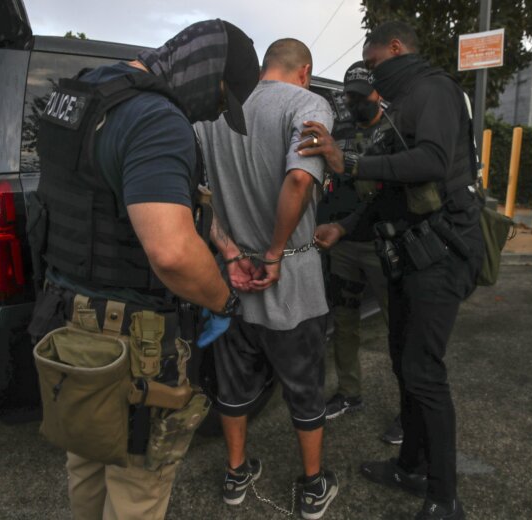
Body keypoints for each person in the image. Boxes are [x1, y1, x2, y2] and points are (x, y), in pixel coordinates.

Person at [27, 19, 259, 520]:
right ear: (207, 72)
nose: (215, 114)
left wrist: (223, 244)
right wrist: (224, 301)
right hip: (134, 341)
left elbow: (132, 192)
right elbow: (172, 253)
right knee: (138, 488)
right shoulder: (156, 118)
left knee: (86, 459)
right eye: (222, 100)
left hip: (67, 323)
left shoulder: (84, 92)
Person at [301, 21, 483, 520]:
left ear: (397, 48)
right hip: (409, 255)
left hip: (441, 253)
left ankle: (444, 499)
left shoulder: (435, 90)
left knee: (425, 372)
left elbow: (432, 161)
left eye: (374, 62)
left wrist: (350, 163)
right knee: (406, 365)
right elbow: (387, 191)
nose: (373, 74)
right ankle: (410, 467)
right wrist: (344, 228)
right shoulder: (402, 104)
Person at [195, 38, 339, 520]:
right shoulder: (308, 104)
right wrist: (275, 253)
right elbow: (299, 178)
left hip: (231, 278)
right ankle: (313, 486)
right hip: (291, 277)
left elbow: (195, 194)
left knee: (232, 385)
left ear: (263, 68)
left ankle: (236, 473)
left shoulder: (212, 115)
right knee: (304, 386)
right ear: (305, 71)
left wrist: (229, 250)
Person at [313, 61, 401, 427]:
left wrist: (343, 226)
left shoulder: (393, 129)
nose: (354, 102)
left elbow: (386, 191)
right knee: (344, 322)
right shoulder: (342, 127)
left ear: (378, 94)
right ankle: (349, 392)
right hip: (344, 246)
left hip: (382, 245)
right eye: (349, 96)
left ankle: (411, 406)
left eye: (361, 96)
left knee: (400, 328)